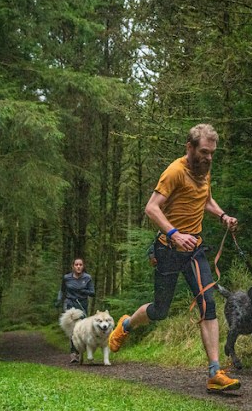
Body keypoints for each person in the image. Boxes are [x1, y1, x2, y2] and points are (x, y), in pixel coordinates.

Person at [108, 123, 241, 392]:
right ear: (189, 147)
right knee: (160, 311)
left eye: (212, 153)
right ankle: (126, 324)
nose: (209, 158)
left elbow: (206, 200)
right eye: (204, 152)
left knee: (208, 304)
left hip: (194, 250)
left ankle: (215, 372)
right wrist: (175, 234)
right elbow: (151, 208)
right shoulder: (174, 172)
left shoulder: (204, 170)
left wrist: (223, 216)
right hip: (167, 249)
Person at [57, 257, 95, 363]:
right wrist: (59, 300)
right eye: (76, 265)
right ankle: (74, 354)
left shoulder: (87, 278)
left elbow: (92, 293)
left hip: (82, 305)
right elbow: (62, 290)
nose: (78, 267)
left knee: (81, 329)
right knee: (72, 329)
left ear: (83, 266)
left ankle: (81, 351)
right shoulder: (67, 278)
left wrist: (84, 291)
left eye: (80, 265)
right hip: (70, 304)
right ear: (73, 266)